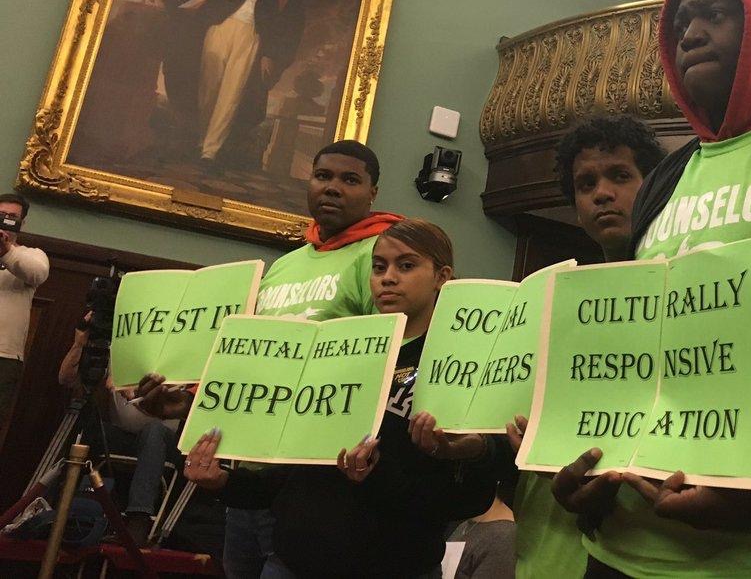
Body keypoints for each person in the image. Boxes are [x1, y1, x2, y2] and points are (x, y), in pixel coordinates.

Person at [551, 0, 751, 578]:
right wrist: (586, 469)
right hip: (619, 547)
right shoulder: (663, 179)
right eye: (682, 22)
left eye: (714, 15)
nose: (690, 34)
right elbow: (629, 344)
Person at [131, 139, 403, 577]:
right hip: (248, 472)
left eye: (349, 180)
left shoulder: (379, 260)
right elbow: (249, 363)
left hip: (315, 482)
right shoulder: (283, 265)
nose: (333, 187)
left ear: (373, 193)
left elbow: (379, 367)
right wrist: (192, 401)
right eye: (323, 176)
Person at [184, 219, 499, 578]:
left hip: (392, 566)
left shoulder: (456, 362)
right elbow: (290, 477)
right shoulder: (339, 349)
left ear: (441, 276)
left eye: (406, 266)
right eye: (379, 267)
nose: (387, 277)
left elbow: (468, 498)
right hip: (292, 561)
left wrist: (377, 474)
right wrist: (222, 482)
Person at [504, 115, 665, 579]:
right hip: (551, 541)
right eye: (585, 184)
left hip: (654, 540)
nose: (602, 194)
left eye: (619, 176)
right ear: (576, 207)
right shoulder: (556, 300)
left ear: (654, 185)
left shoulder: (679, 287)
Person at [152, 0, 304, 167]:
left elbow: (279, 20)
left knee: (232, 93)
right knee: (208, 87)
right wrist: (167, 1)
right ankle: (201, 139)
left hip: (252, 35)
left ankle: (210, 152)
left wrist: (270, 53)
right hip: (219, 26)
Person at [58, 318, 179, 547]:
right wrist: (79, 343)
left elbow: (171, 408)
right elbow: (65, 379)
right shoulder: (119, 347)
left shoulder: (176, 355)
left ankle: (138, 519)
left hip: (165, 441)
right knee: (87, 422)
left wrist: (136, 397)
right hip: (122, 436)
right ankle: (63, 505)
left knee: (153, 431)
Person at [0, 192, 50, 430]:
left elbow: (37, 273)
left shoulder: (31, 255)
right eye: (1, 216)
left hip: (4, 358)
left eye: (12, 217)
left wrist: (7, 250)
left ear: (22, 223)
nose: (6, 221)